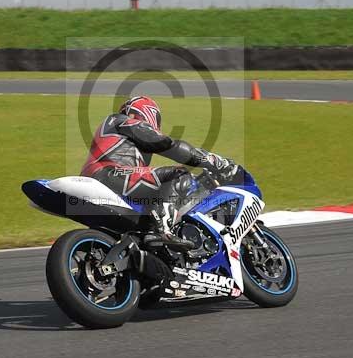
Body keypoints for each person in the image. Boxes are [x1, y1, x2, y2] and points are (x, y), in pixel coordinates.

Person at [81, 95, 236, 249]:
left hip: (103, 182)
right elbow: (167, 145)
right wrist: (211, 160)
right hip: (108, 174)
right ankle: (161, 231)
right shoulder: (121, 121)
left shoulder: (115, 130)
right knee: (178, 175)